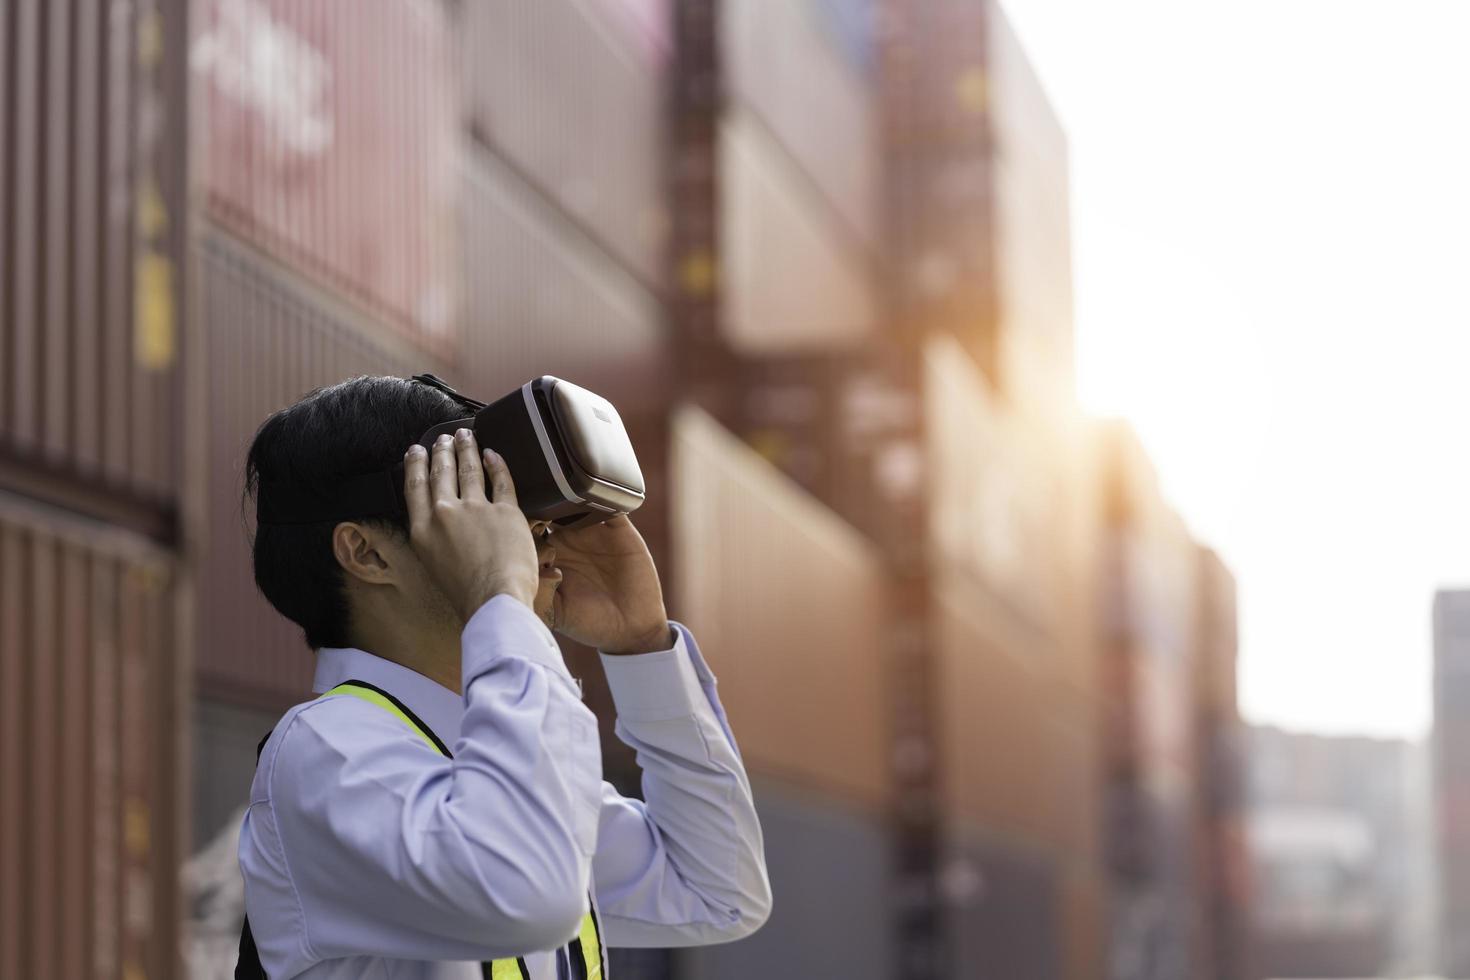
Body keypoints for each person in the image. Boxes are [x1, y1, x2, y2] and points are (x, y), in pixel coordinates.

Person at [235, 376, 771, 979]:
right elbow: (526, 892)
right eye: (467, 502)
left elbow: (717, 891)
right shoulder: (329, 753)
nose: (522, 532)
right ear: (367, 553)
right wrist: (502, 603)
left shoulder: (481, 753)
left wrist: (643, 649)